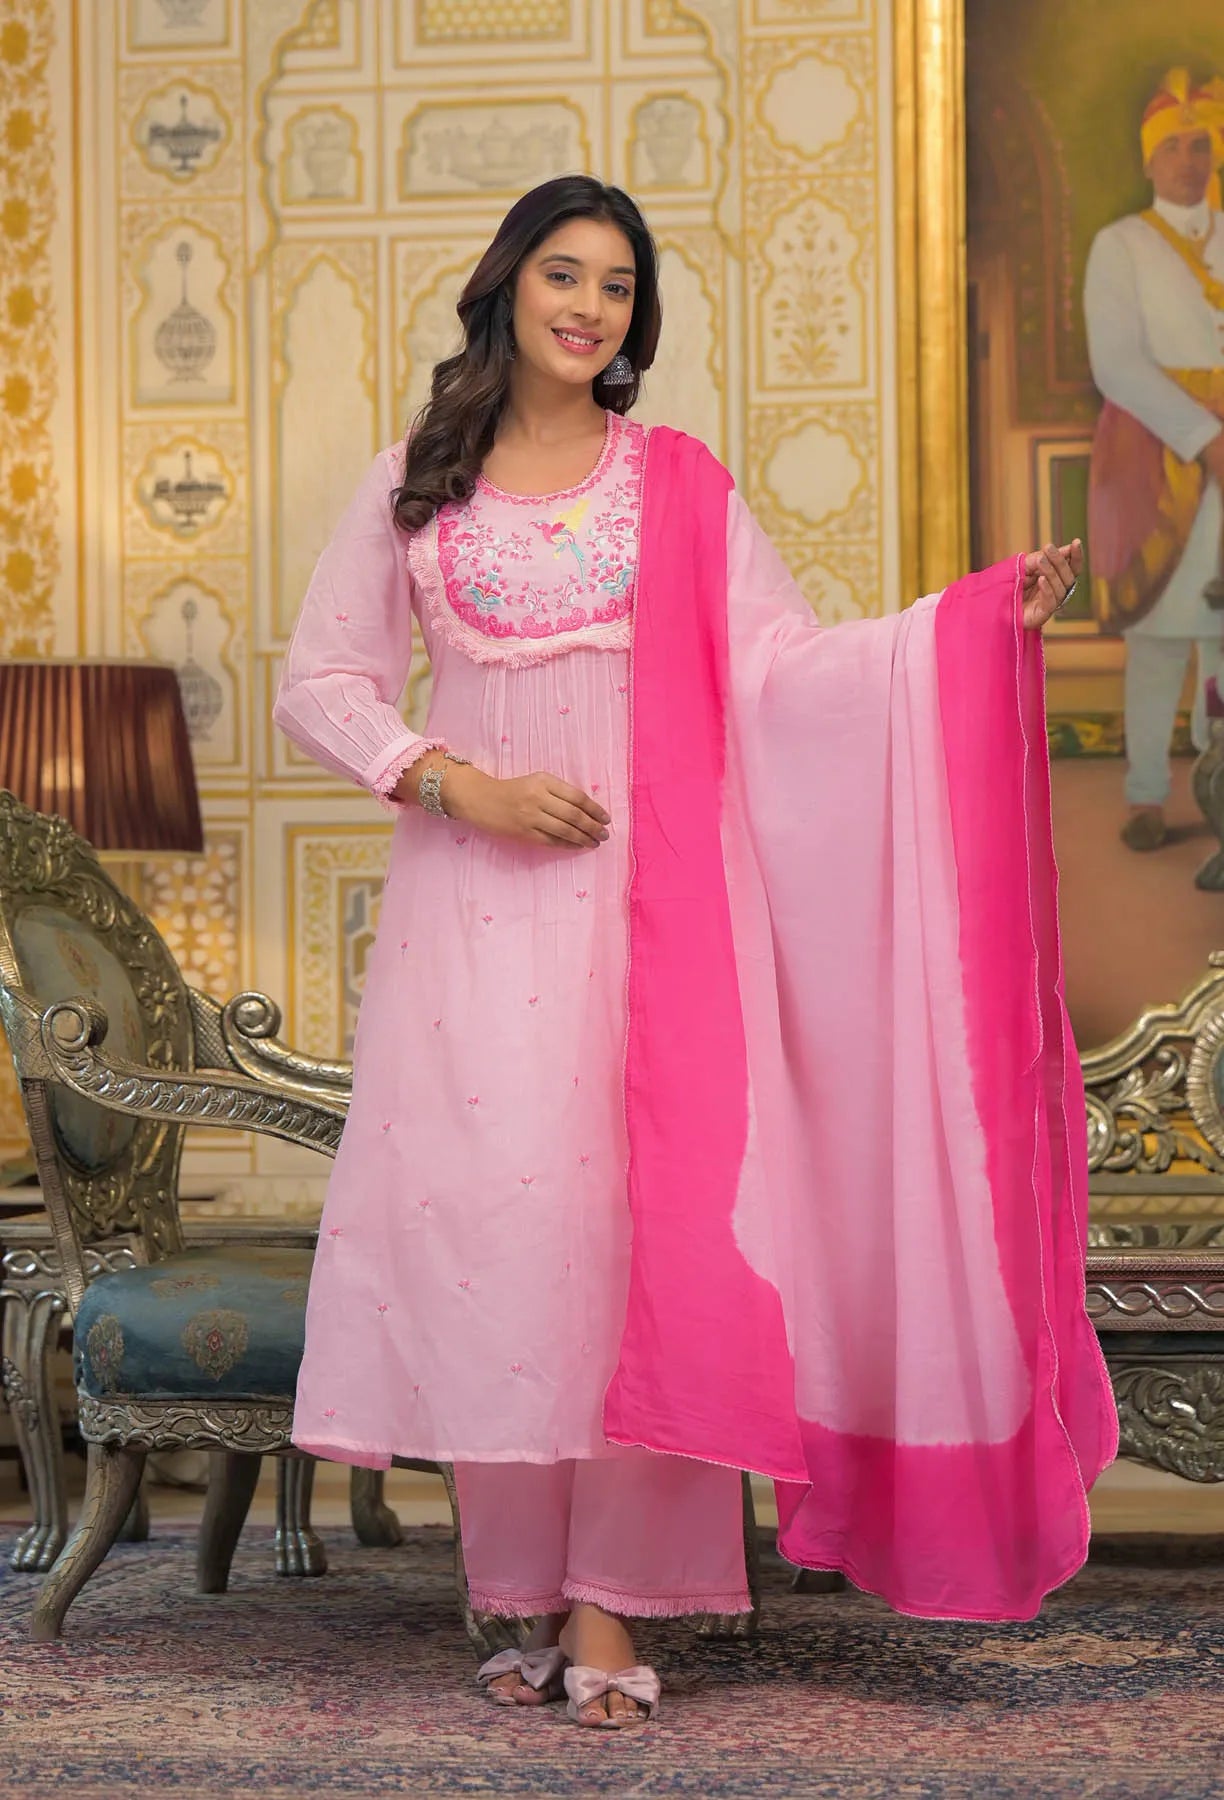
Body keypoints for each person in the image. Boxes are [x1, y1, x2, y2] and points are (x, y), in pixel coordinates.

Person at [275, 175, 1117, 1730]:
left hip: (652, 927)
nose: (589, 307)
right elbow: (320, 683)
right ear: (507, 288)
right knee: (508, 1252)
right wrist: (466, 784)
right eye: (563, 275)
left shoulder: (675, 483)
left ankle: (614, 1611)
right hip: (470, 923)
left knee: (635, 1246)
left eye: (617, 288)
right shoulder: (416, 485)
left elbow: (792, 672)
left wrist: (970, 623)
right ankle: (522, 1596)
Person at [1085, 68, 1224, 851]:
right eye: (1172, 147)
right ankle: (1146, 794)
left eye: (1200, 144)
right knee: (1161, 629)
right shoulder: (1122, 247)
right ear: (1148, 159)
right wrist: (1203, 437)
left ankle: (1220, 785)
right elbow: (1118, 364)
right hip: (1156, 452)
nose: (1188, 160)